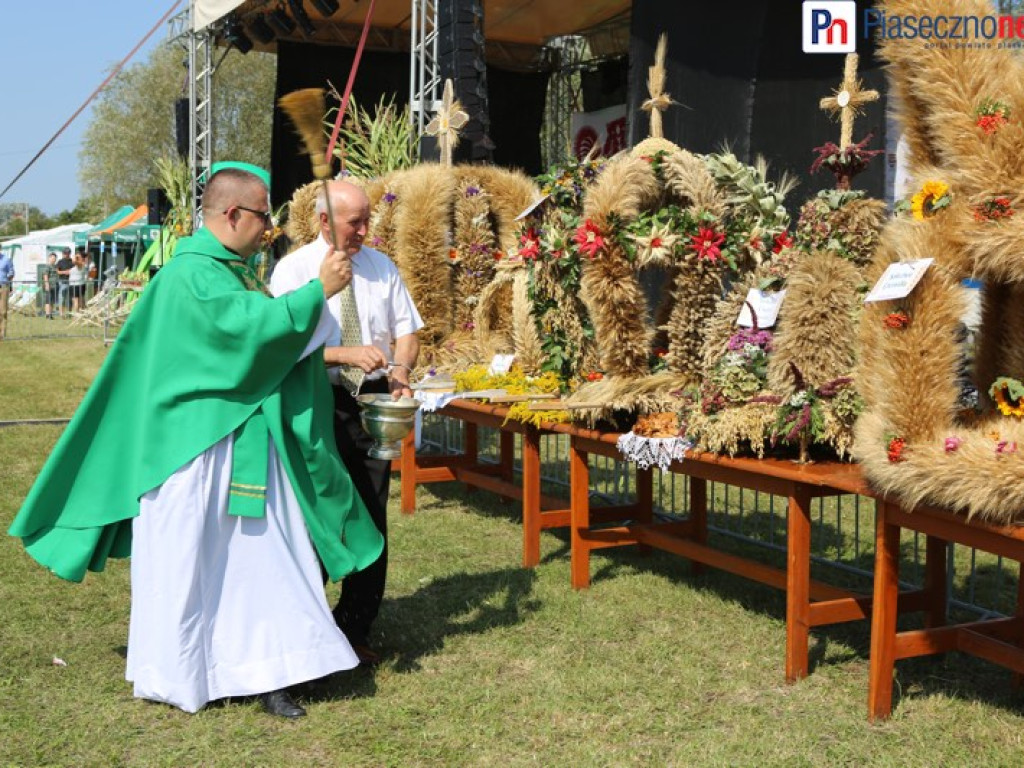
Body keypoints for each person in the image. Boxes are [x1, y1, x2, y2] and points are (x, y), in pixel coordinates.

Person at [8, 164, 383, 718]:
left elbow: (262, 333)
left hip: (237, 441)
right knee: (192, 565)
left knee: (263, 563)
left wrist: (309, 301)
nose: (270, 229)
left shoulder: (230, 271)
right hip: (194, 454)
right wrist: (317, 293)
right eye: (263, 217)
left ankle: (271, 671)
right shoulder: (192, 275)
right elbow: (245, 336)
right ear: (231, 214)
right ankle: (185, 671)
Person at [270, 180, 422, 664]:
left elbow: (407, 331)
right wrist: (342, 352)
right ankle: (309, 630)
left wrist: (399, 372)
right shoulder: (294, 270)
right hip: (318, 398)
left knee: (371, 514)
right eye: (354, 221)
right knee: (316, 513)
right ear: (322, 222)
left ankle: (357, 628)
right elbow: (280, 346)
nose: (364, 229)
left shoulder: (381, 267)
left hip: (373, 402)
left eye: (367, 219)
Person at [0, 246, 14, 340]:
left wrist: (7, 279)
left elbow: (11, 272)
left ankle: (2, 333)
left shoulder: (6, 259)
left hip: (3, 287)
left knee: (3, 311)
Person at [55, 247, 72, 317]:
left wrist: (70, 272)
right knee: (61, 298)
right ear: (63, 254)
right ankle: (61, 313)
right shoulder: (60, 261)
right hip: (62, 282)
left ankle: (69, 313)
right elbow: (57, 272)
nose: (66, 255)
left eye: (68, 253)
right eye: (65, 253)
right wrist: (65, 272)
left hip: (71, 282)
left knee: (69, 299)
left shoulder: (72, 261)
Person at [42, 252, 59, 319]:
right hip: (49, 285)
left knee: (52, 301)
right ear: (49, 258)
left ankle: (50, 314)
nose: (53, 259)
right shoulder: (47, 266)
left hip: (54, 286)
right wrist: (46, 284)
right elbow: (45, 275)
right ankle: (47, 314)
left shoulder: (55, 266)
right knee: (48, 301)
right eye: (52, 258)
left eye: (54, 258)